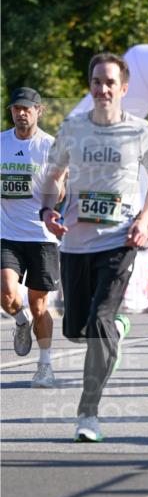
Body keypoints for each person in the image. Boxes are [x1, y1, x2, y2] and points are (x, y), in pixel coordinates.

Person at [41, 52, 148, 442]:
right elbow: (54, 175)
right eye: (97, 82)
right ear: (90, 86)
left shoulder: (140, 130)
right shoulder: (72, 128)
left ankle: (88, 414)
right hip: (76, 242)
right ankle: (116, 329)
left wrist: (144, 219)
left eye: (110, 82)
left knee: (98, 322)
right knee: (76, 328)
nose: (103, 89)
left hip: (120, 238)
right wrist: (48, 210)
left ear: (123, 88)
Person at [1, 87, 60, 387]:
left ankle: (45, 365)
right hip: (7, 233)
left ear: (39, 110)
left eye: (27, 108)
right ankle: (20, 321)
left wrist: (55, 198)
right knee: (6, 293)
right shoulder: (1, 142)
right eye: (16, 108)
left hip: (42, 236)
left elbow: (61, 187)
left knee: (39, 306)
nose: (21, 113)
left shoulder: (50, 146)